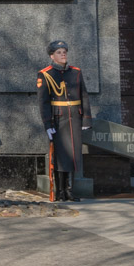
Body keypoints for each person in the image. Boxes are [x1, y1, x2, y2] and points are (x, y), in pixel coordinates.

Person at [38, 39, 91, 202]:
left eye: (64, 52)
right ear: (52, 56)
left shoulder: (76, 72)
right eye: (59, 53)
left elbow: (84, 96)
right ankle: (60, 190)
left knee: (74, 154)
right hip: (58, 118)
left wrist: (86, 119)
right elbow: (43, 101)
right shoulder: (45, 74)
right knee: (60, 156)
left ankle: (69, 190)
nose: (63, 55)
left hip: (74, 117)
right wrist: (47, 124)